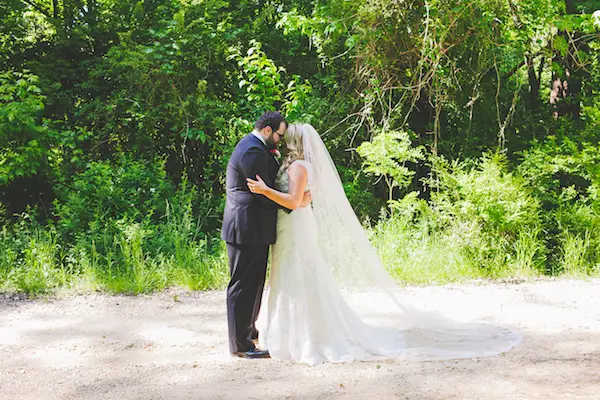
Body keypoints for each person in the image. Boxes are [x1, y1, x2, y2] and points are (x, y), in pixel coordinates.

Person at [247, 123, 522, 365]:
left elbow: (295, 201)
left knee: (301, 275)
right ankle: (292, 333)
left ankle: (305, 337)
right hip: (291, 227)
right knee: (291, 276)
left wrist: (265, 191)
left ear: (294, 142)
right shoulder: (299, 165)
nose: (282, 143)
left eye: (286, 139)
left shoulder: (298, 167)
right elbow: (302, 199)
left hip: (296, 228)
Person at [221, 112, 311, 359]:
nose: (281, 141)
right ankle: (240, 344)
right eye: (280, 135)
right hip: (245, 229)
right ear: (268, 131)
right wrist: (295, 203)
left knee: (255, 284)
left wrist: (295, 200)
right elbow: (262, 192)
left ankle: (249, 332)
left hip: (255, 229)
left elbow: (269, 188)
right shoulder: (251, 151)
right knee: (242, 285)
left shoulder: (257, 148)